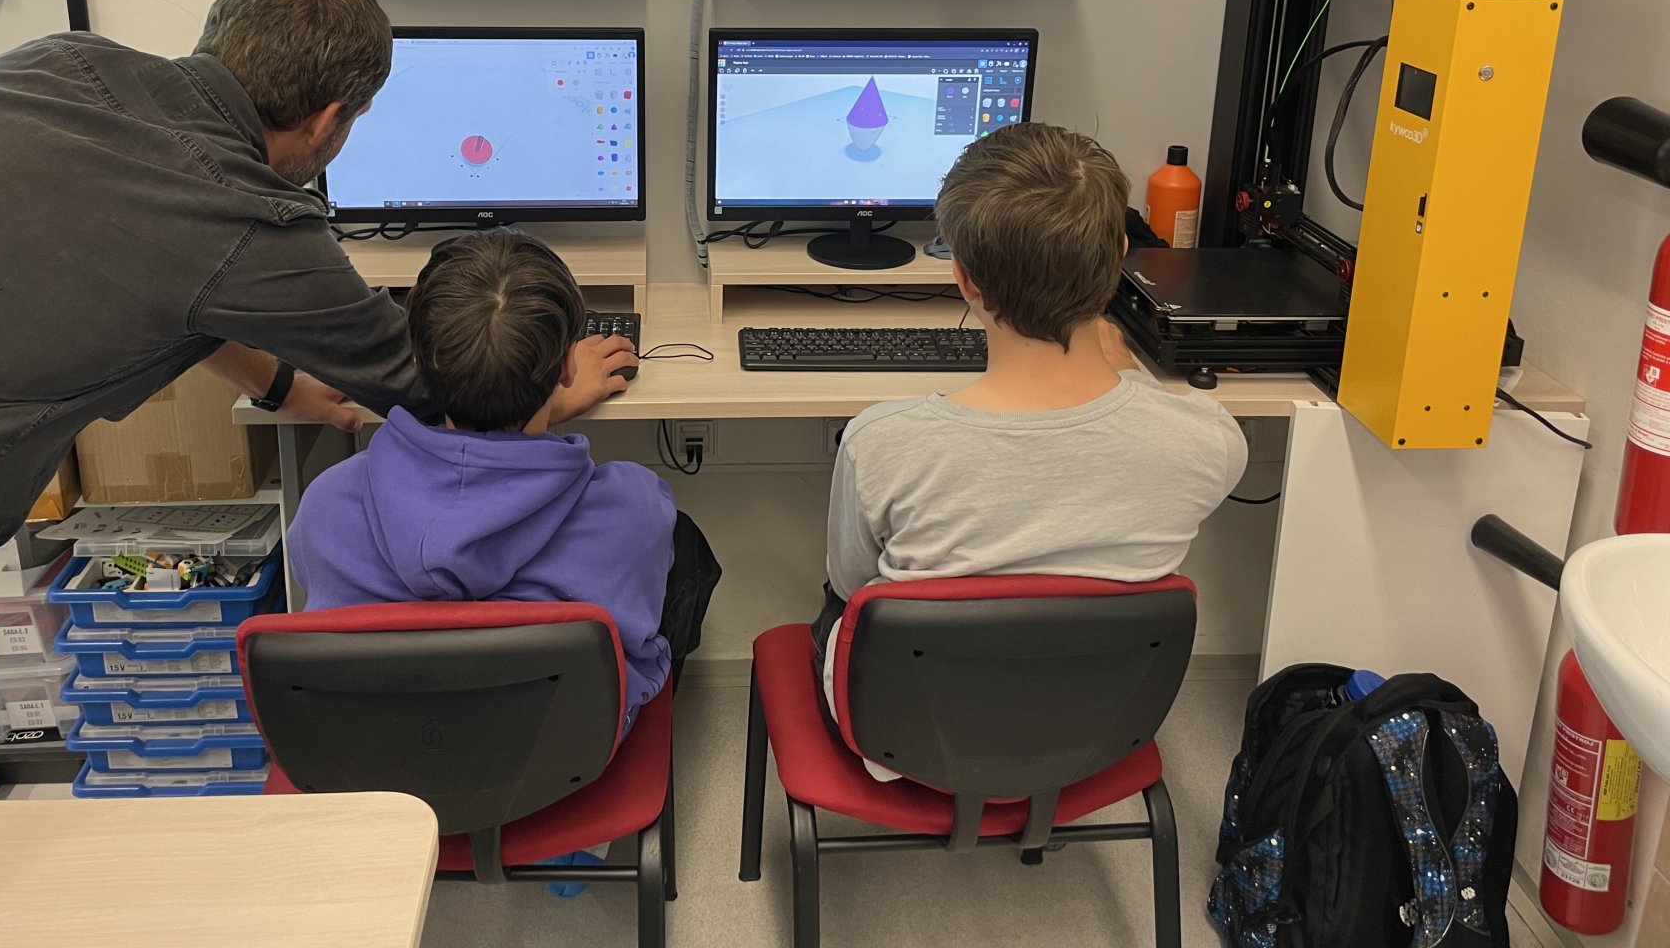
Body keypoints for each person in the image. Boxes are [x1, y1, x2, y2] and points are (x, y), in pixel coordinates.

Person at [0, 0, 639, 801]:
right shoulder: (247, 216)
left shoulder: (58, 65)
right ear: (329, 121)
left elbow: (158, 272)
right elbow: (437, 380)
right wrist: (553, 385)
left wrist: (280, 385)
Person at [815, 123, 1247, 778]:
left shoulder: (881, 441)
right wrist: (1131, 379)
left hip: (904, 741)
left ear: (965, 279)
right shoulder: (1210, 438)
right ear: (1120, 254)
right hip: (1093, 734)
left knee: (840, 601)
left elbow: (852, 584)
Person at [289, 229, 719, 738]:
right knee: (682, 547)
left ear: (419, 362)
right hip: (564, 753)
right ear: (567, 368)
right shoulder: (632, 507)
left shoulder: (325, 505)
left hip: (371, 752)